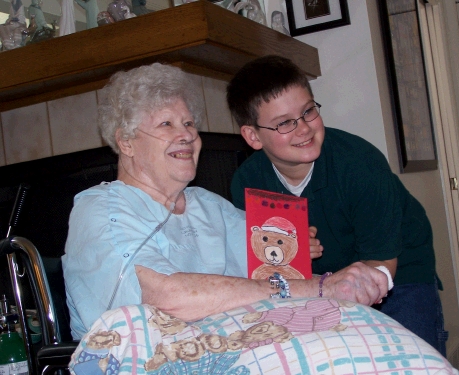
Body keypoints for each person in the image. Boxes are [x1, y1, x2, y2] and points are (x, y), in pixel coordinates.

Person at [61, 62, 390, 341]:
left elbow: (272, 264)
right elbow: (168, 299)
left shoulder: (206, 205)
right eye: (166, 124)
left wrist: (307, 258)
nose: (187, 134)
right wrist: (319, 289)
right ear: (126, 142)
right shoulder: (102, 210)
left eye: (190, 123)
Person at [227, 55, 448, 356]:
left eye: (308, 112)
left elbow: (381, 269)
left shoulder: (360, 166)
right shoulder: (247, 184)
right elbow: (266, 268)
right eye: (284, 123)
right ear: (253, 136)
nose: (303, 128)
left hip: (398, 271)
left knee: (411, 355)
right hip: (323, 283)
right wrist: (293, 260)